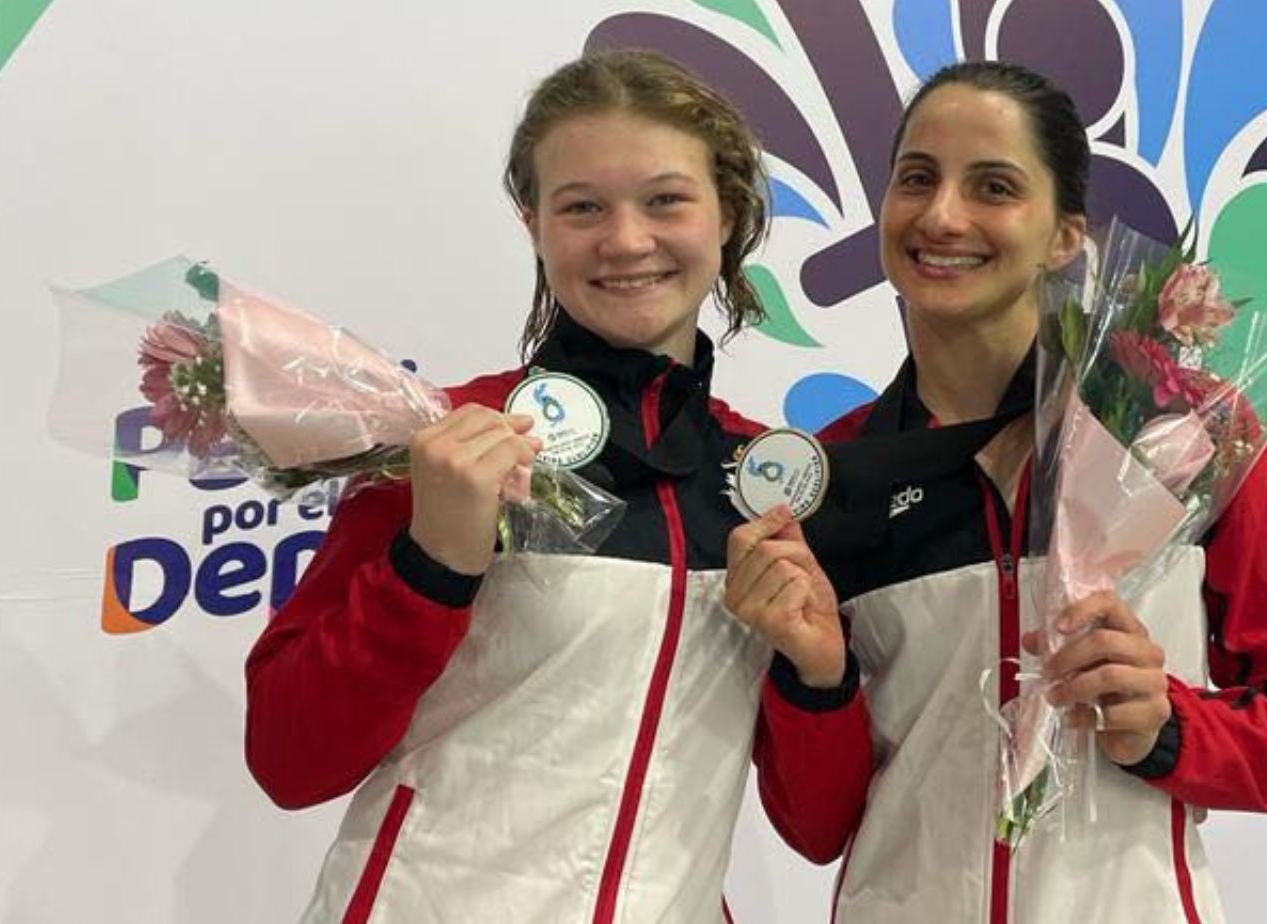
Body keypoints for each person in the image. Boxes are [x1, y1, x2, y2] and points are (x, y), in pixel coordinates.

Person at [244, 49, 866, 924]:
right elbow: (288, 759)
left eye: (665, 199)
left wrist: (819, 675)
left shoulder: (764, 481)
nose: (625, 239)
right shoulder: (448, 441)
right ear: (532, 221)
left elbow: (818, 826)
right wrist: (434, 566)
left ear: (726, 212)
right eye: (582, 207)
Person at [783, 60, 1267, 923]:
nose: (942, 215)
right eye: (917, 178)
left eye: (994, 186)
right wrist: (816, 680)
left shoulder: (1181, 431)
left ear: (1066, 235)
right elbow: (815, 825)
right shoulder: (831, 474)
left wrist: (1169, 728)